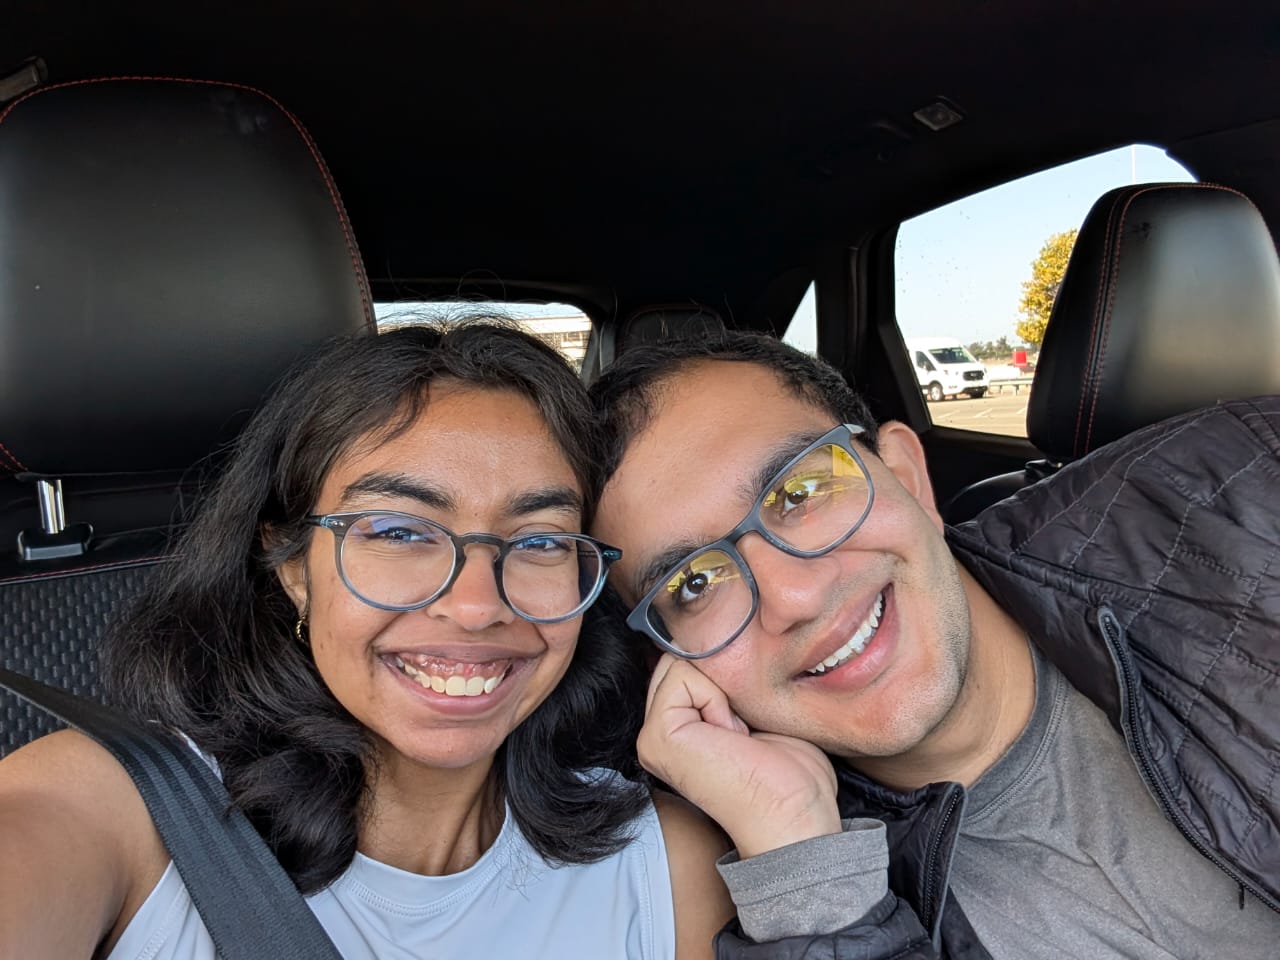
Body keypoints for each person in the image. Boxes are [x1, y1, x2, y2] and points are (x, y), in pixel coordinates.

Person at [0, 322, 733, 959]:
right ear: (293, 569)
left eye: (540, 540)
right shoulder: (114, 814)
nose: (476, 607)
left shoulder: (661, 863)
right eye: (399, 531)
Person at [587, 329, 1280, 959]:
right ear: (671, 664)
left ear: (910, 477)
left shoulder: (1247, 491)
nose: (794, 599)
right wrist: (804, 864)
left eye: (799, 490)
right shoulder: (738, 870)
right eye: (695, 582)